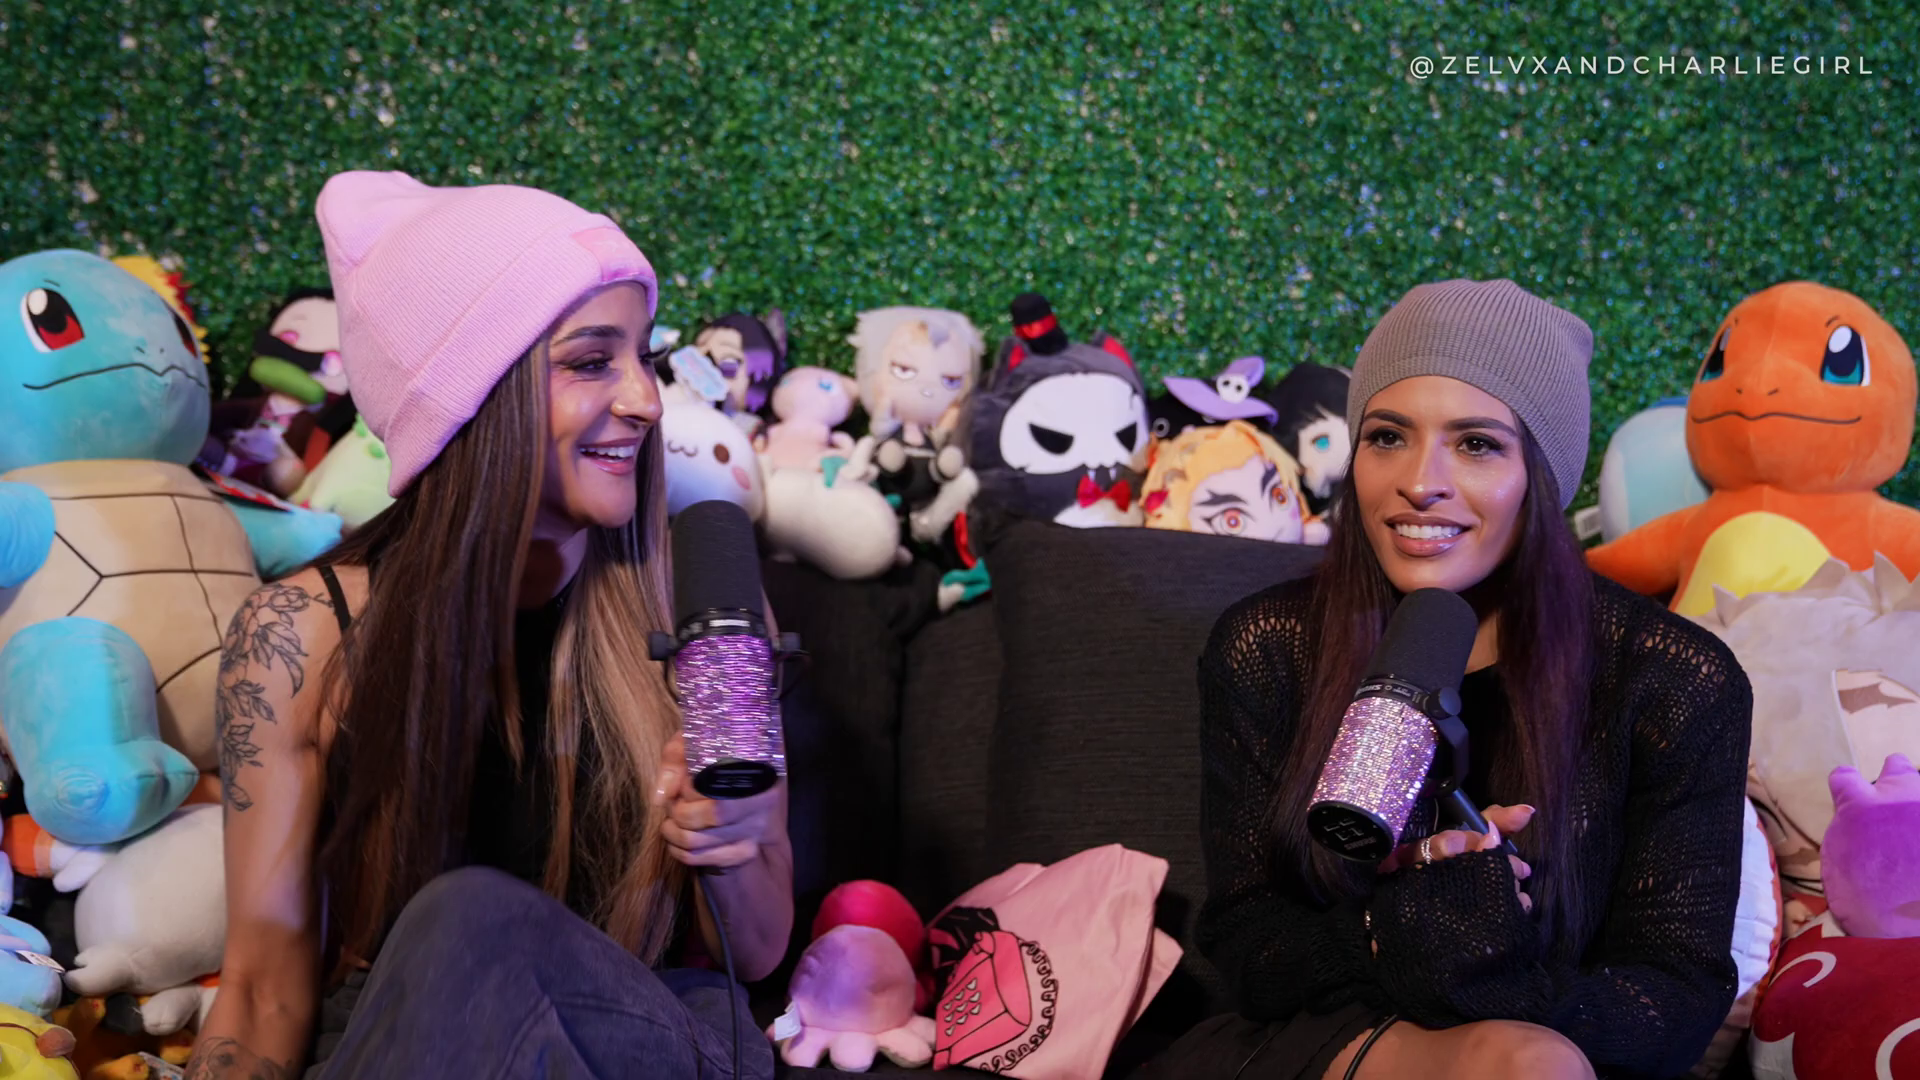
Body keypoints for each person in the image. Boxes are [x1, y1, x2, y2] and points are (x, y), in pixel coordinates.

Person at [187, 172, 790, 1079]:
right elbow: (264, 989)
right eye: (592, 362)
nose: (647, 400)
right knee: (459, 933)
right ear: (473, 397)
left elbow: (760, 948)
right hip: (408, 1047)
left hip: (637, 1042)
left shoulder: (692, 606)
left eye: (645, 357)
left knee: (470, 920)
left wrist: (732, 838)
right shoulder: (300, 635)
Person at [1145, 279, 1752, 1079]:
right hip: (1316, 1043)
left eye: (1476, 445)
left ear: (1543, 474)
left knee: (1528, 1064)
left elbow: (1673, 1003)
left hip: (1549, 1054)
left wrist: (1484, 959)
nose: (1420, 480)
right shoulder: (1269, 646)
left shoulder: (1673, 679)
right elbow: (1247, 945)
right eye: (1388, 436)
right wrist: (1391, 927)